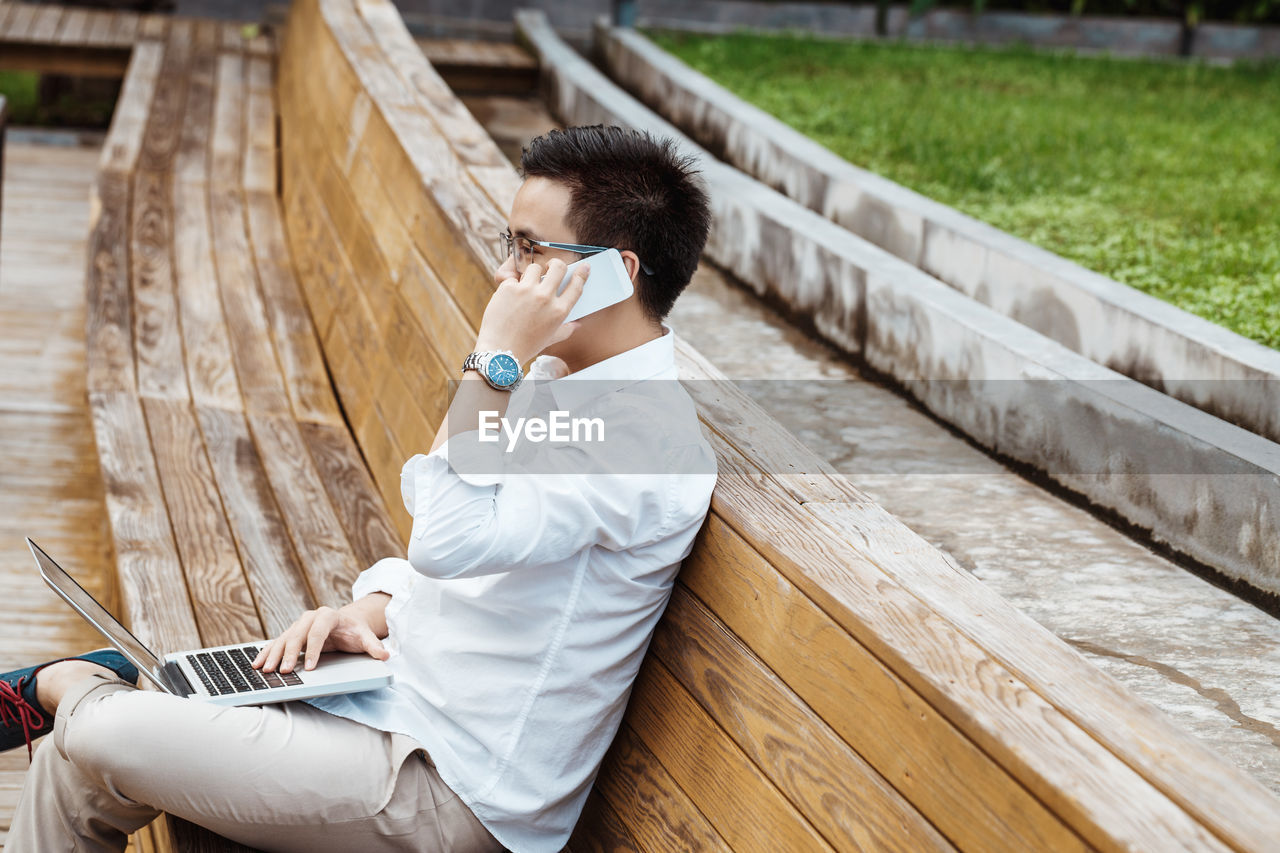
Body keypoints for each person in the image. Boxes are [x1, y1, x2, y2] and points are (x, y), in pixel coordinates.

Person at [0, 124, 716, 852]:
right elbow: (458, 552)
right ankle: (85, 693)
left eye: (531, 251)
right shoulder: (558, 381)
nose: (506, 274)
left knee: (98, 727)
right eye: (509, 243)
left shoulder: (640, 441)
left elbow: (447, 538)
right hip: (387, 704)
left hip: (450, 787)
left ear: (616, 273)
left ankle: (66, 682)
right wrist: (371, 608)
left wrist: (494, 356)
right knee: (76, 761)